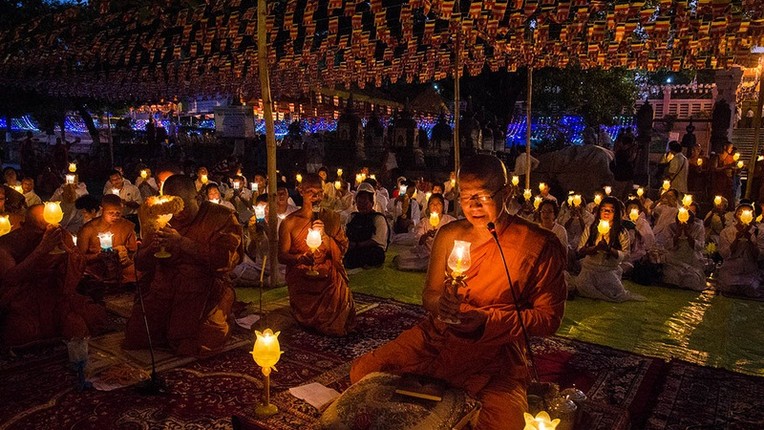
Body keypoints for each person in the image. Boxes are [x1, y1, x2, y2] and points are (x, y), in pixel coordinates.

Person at [351, 154, 566, 430]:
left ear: (507, 192)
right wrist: (442, 306)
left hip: (496, 351)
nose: (473, 206)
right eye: (466, 196)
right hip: (439, 335)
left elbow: (549, 318)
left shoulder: (538, 243)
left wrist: (488, 321)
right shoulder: (449, 234)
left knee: (508, 423)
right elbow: (429, 295)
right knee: (361, 373)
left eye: (484, 196)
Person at [124, 175, 243, 357]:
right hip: (164, 288)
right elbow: (141, 263)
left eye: (181, 205)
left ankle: (224, 315)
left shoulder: (220, 216)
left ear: (197, 198)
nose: (177, 212)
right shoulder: (161, 216)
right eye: (171, 205)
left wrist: (182, 243)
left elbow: (225, 261)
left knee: (191, 345)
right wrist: (152, 249)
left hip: (202, 290)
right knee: (136, 337)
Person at [0, 204, 106, 347]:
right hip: (25, 298)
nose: (46, 233)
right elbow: (10, 278)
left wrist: (65, 249)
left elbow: (78, 264)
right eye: (40, 230)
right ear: (24, 226)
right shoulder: (10, 242)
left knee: (84, 324)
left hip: (56, 294)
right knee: (23, 333)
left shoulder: (58, 234)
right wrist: (42, 249)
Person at [278, 173, 355, 336]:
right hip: (301, 271)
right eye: (311, 192)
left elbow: (342, 249)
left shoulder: (331, 218)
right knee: (301, 275)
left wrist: (326, 237)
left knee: (334, 283)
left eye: (319, 192)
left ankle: (329, 316)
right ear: (301, 191)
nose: (316, 197)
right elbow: (282, 255)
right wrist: (300, 258)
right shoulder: (289, 222)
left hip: (327, 273)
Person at [569, 196, 644, 302]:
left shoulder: (621, 232)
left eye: (611, 210)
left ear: (616, 213)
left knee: (614, 294)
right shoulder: (591, 228)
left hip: (608, 270)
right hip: (590, 269)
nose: (607, 212)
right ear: (599, 211)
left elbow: (626, 254)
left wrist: (610, 250)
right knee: (583, 288)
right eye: (604, 209)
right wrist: (595, 248)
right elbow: (580, 249)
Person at [77, 195, 138, 299]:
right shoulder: (88, 229)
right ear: (102, 209)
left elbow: (135, 252)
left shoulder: (126, 226)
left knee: (140, 271)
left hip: (120, 266)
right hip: (95, 267)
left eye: (118, 213)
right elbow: (78, 258)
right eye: (111, 213)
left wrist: (126, 257)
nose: (115, 216)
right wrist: (99, 256)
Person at [394, 194, 456, 271]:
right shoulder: (424, 222)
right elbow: (418, 240)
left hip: (445, 254)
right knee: (401, 260)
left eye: (438, 204)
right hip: (427, 254)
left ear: (443, 206)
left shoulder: (450, 221)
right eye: (432, 204)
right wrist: (427, 235)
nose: (435, 206)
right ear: (428, 207)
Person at [716, 201, 764, 299]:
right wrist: (736, 240)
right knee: (729, 287)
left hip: (749, 272)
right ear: (735, 215)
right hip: (731, 271)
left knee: (751, 288)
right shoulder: (726, 232)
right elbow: (724, 254)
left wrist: (750, 241)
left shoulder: (758, 232)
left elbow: (760, 256)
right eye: (741, 212)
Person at [656, 207, 707, 291]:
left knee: (692, 280)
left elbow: (700, 246)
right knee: (672, 278)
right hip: (674, 260)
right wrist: (678, 234)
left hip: (691, 260)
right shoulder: (670, 227)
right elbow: (667, 245)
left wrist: (687, 234)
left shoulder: (698, 228)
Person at [345, 182, 389, 269]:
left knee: (373, 255)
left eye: (365, 203)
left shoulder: (378, 218)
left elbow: (376, 241)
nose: (362, 206)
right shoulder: (352, 217)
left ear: (372, 203)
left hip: (371, 249)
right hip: (354, 247)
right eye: (359, 203)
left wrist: (357, 245)